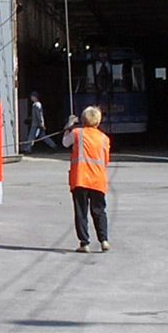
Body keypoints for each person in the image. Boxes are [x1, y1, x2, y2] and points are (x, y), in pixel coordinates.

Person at [62, 106, 111, 253]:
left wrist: (68, 126)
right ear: (98, 121)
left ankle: (84, 243)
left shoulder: (77, 133)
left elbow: (65, 142)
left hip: (80, 178)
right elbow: (106, 161)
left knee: (81, 212)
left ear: (83, 120)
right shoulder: (104, 138)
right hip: (98, 180)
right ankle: (104, 240)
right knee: (99, 211)